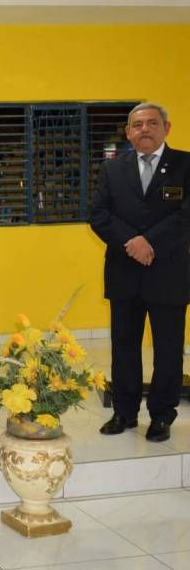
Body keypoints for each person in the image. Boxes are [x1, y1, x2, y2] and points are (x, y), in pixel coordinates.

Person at [90, 102, 190, 443]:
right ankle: (124, 412)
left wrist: (150, 242)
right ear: (128, 133)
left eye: (152, 123)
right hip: (124, 271)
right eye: (137, 125)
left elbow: (186, 215)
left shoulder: (185, 165)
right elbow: (99, 214)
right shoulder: (112, 168)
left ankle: (161, 416)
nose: (144, 129)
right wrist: (132, 242)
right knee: (124, 347)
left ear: (166, 128)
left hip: (169, 273)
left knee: (168, 349)